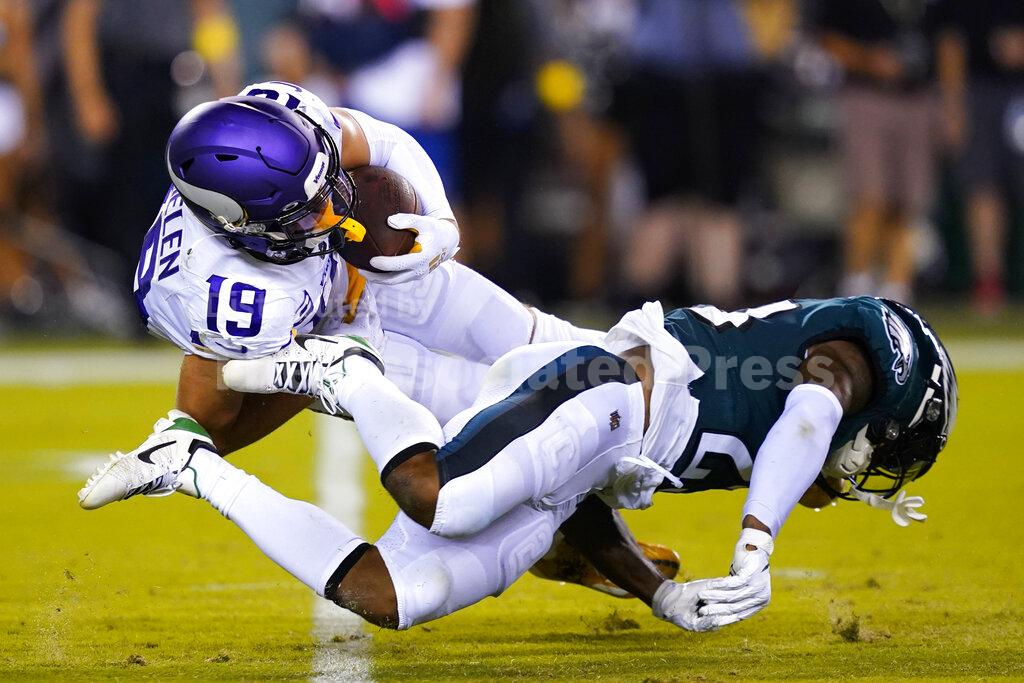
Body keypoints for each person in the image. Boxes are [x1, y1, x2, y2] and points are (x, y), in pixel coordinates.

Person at [81, 295, 956, 632]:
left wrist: (660, 596)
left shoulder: (799, 402)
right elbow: (811, 416)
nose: (870, 469)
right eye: (889, 449)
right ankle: (346, 372)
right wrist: (756, 543)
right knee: (441, 497)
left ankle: (187, 462)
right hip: (606, 388)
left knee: (395, 597)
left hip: (593, 455)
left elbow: (586, 492)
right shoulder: (847, 367)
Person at [816, 0, 943, 304]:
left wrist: (951, 100)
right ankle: (856, 287)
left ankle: (897, 290)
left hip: (918, 97)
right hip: (866, 95)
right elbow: (827, 37)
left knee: (908, 202)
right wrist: (868, 60)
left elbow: (948, 36)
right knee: (868, 197)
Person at [936, 0, 1024, 315]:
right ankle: (989, 280)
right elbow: (951, 39)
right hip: (978, 88)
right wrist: (952, 104)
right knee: (982, 188)